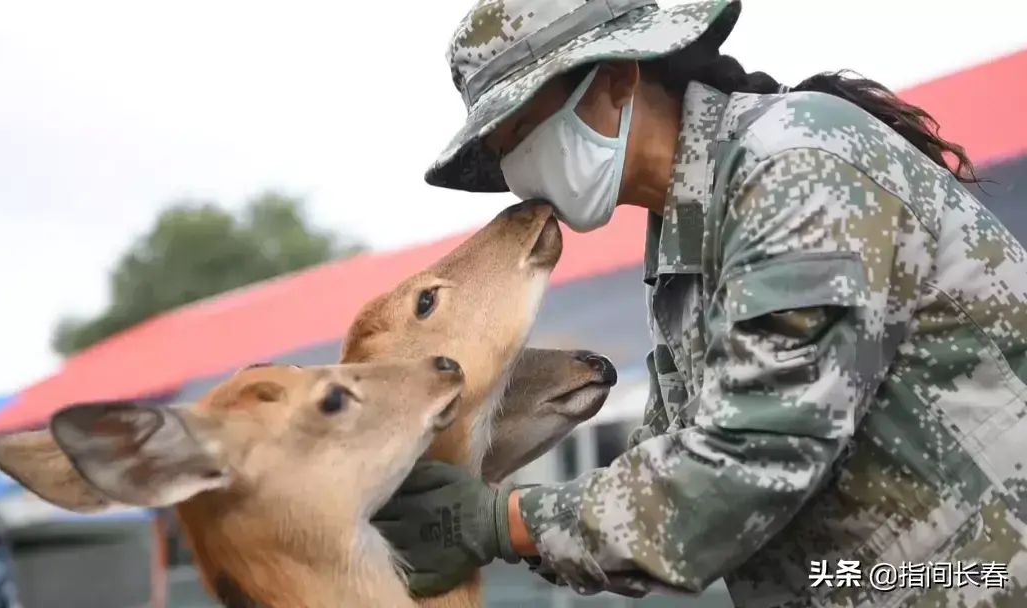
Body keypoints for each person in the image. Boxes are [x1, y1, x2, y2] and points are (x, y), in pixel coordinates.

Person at [372, 0, 1027, 605]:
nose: (518, 171)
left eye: (522, 131)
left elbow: (748, 463)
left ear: (616, 83)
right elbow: (668, 463)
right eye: (502, 152)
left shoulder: (793, 166)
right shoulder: (686, 238)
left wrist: (501, 522)